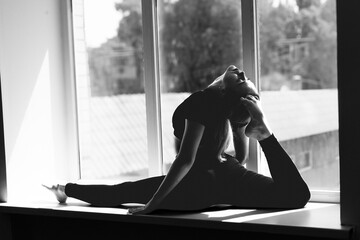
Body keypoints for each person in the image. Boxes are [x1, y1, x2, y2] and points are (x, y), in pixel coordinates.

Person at [44, 65, 310, 215]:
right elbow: (239, 159)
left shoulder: (204, 100)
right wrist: (243, 129)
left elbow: (185, 160)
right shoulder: (220, 110)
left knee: (121, 191)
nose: (241, 72)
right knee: (297, 195)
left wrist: (150, 207)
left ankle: (64, 188)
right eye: (245, 77)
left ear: (228, 90)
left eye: (242, 80)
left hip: (196, 186)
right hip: (228, 179)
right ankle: (267, 137)